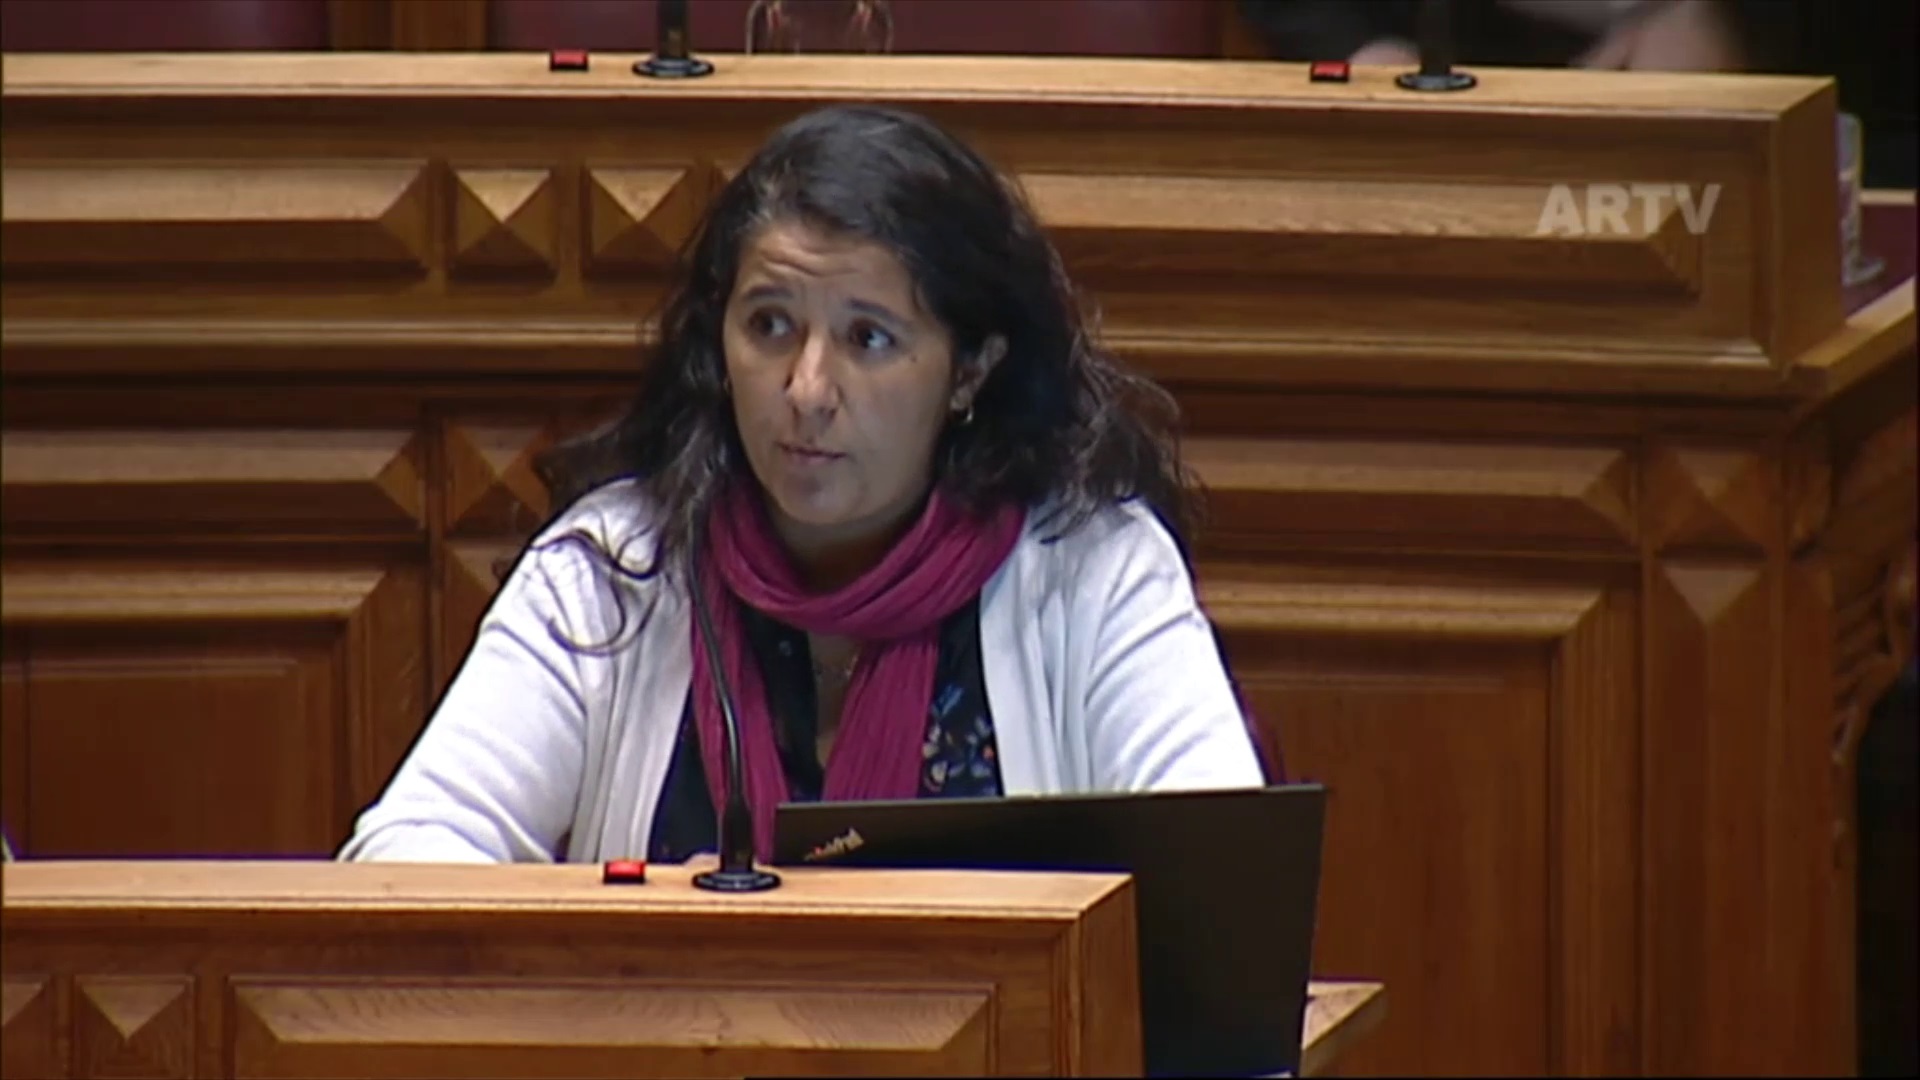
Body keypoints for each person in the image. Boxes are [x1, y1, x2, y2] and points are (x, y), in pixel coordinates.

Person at [339, 105, 1268, 865]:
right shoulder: (619, 570)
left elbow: (1218, 885)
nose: (807, 391)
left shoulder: (1091, 571)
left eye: (869, 338)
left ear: (971, 370)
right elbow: (407, 854)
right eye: (771, 325)